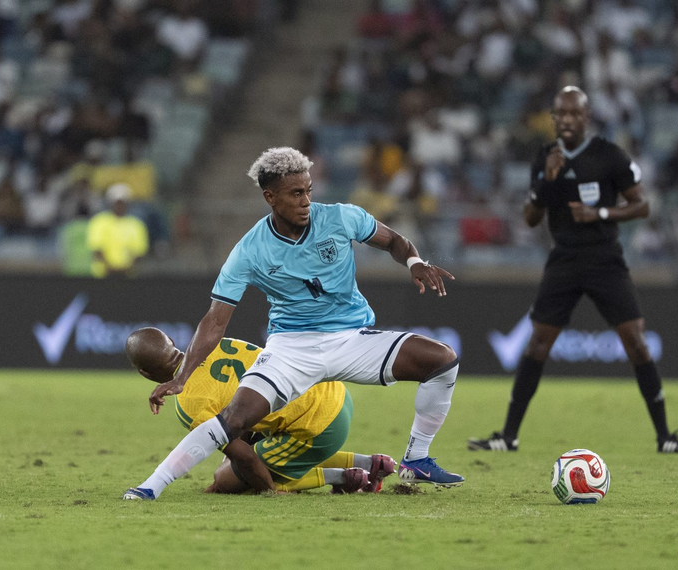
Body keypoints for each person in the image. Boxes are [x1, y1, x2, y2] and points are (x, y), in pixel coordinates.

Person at [124, 147, 463, 502]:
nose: (306, 201)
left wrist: (414, 262)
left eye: (309, 190)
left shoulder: (341, 217)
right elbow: (214, 320)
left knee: (441, 360)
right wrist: (182, 377)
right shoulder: (249, 250)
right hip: (293, 346)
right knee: (233, 421)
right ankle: (152, 486)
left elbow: (394, 240)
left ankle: (415, 459)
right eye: (296, 193)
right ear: (270, 197)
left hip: (351, 338)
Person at [468, 87, 678, 454]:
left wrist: (601, 213)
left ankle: (665, 437)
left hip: (605, 258)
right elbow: (529, 219)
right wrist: (546, 181)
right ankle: (507, 437)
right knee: (538, 343)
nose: (569, 120)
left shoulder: (609, 156)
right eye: (562, 114)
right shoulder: (545, 158)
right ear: (554, 118)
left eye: (576, 114)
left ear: (587, 117)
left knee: (636, 341)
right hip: (564, 259)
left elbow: (642, 206)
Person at [123, 327, 395, 497]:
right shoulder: (216, 343)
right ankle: (369, 464)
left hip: (319, 424)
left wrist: (266, 490)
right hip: (334, 392)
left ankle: (343, 477)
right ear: (171, 341)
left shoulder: (189, 403)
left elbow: (248, 459)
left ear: (144, 373)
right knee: (255, 452)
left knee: (226, 477)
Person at [86, 183, 149, 278]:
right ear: (110, 203)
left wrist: (126, 269)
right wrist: (110, 268)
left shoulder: (136, 224)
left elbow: (139, 252)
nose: (119, 206)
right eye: (117, 203)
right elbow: (96, 249)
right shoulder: (99, 221)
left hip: (128, 276)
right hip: (102, 276)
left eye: (122, 203)